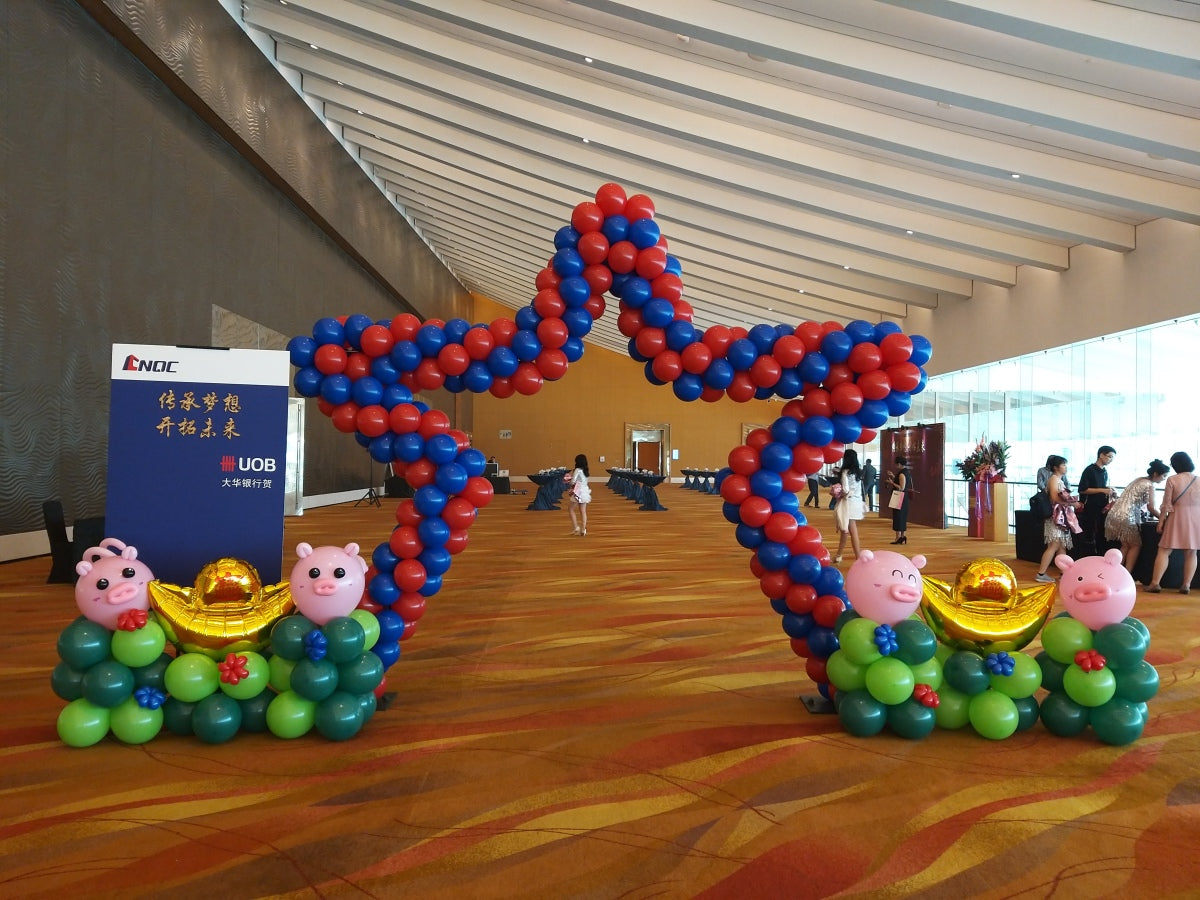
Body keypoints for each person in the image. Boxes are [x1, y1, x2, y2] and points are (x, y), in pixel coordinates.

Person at [1146, 451, 1200, 594]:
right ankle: (1186, 585)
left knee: (1164, 550)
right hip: (1196, 518)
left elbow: (1166, 504)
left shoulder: (1172, 479)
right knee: (1191, 552)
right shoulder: (1198, 479)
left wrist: (1161, 521)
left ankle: (1155, 583)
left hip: (1177, 516)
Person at [1104, 459, 1169, 573]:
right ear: (1155, 474)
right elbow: (1151, 507)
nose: (1164, 478)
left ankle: (1115, 573)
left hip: (1115, 514)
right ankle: (1126, 574)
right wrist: (1163, 519)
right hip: (1127, 516)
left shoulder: (1139, 480)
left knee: (1125, 545)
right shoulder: (1150, 485)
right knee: (1136, 545)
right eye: (1164, 476)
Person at [1035, 455, 1082, 582]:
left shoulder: (1057, 479)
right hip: (1056, 516)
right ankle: (1041, 573)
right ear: (1056, 467)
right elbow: (1055, 498)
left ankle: (1064, 573)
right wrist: (1072, 503)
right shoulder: (1054, 479)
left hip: (1060, 516)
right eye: (1063, 465)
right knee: (1054, 545)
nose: (1065, 467)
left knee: (1061, 546)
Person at [1076, 445, 1118, 555]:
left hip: (1102, 506)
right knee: (1090, 534)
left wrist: (1108, 490)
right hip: (1091, 507)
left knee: (1101, 533)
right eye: (1109, 457)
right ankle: (1088, 557)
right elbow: (1082, 489)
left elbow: (1101, 488)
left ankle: (1099, 556)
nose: (1111, 460)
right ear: (1101, 455)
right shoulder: (1090, 470)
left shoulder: (1104, 471)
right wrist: (1103, 490)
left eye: (1113, 458)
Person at [833, 449, 865, 563]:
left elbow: (846, 490)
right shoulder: (859, 472)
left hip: (848, 503)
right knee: (845, 530)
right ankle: (839, 555)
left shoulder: (845, 472)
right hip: (857, 502)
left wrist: (837, 492)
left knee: (850, 530)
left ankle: (858, 557)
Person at [564, 454, 592, 536]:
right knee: (583, 511)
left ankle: (576, 528)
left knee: (570, 509)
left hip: (578, 491)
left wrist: (568, 479)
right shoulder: (586, 471)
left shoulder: (577, 470)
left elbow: (573, 481)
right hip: (585, 491)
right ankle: (583, 529)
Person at [887, 455, 913, 544]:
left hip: (899, 497)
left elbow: (901, 487)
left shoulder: (902, 474)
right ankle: (903, 536)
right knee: (903, 517)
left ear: (899, 464)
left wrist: (891, 483)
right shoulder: (906, 472)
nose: (895, 466)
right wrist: (893, 476)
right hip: (904, 498)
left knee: (898, 517)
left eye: (896, 464)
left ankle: (898, 537)